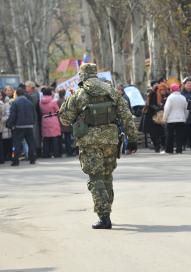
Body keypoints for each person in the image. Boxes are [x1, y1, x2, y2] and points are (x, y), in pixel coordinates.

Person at [59, 63, 138, 230]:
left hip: (89, 142)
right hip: (111, 140)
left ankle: (104, 216)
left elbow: (65, 119)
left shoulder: (79, 94)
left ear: (82, 75)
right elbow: (127, 116)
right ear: (95, 74)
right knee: (107, 176)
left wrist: (70, 105)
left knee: (96, 178)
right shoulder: (112, 91)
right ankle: (107, 210)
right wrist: (132, 138)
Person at [6, 87, 37, 166]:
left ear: (16, 94)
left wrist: (10, 124)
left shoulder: (15, 103)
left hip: (18, 126)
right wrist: (33, 123)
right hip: (29, 126)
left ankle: (15, 160)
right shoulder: (29, 102)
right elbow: (34, 114)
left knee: (16, 144)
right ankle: (32, 159)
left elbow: (12, 115)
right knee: (30, 143)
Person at [163, 83, 188, 154]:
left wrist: (165, 118)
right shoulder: (183, 97)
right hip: (181, 119)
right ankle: (179, 149)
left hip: (171, 119)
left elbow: (167, 108)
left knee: (169, 135)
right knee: (179, 135)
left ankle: (169, 150)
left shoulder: (170, 97)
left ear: (171, 90)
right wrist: (185, 117)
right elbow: (186, 109)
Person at [141, 83, 166, 153]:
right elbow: (150, 104)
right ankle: (157, 147)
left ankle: (160, 146)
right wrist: (159, 108)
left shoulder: (162, 95)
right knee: (153, 133)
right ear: (159, 89)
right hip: (150, 116)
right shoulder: (153, 94)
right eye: (163, 90)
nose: (164, 91)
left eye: (165, 90)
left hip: (158, 116)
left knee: (160, 132)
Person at [39, 87, 61, 158]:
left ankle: (46, 154)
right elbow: (58, 111)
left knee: (46, 138)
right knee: (55, 137)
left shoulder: (40, 102)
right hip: (53, 119)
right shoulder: (53, 102)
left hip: (44, 119)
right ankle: (56, 153)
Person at [57, 89, 74, 156]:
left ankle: (60, 152)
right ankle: (69, 152)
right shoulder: (67, 100)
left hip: (59, 121)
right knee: (68, 138)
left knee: (59, 139)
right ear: (64, 94)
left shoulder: (57, 102)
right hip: (67, 121)